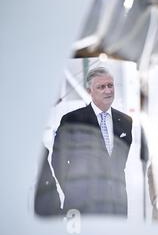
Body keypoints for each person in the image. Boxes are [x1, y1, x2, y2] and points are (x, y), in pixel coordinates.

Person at [47, 67, 133, 216]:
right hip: (82, 205)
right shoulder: (72, 120)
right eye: (101, 87)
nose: (108, 91)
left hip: (116, 206)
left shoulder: (125, 121)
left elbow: (120, 163)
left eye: (110, 85)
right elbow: (58, 160)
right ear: (89, 91)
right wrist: (72, 190)